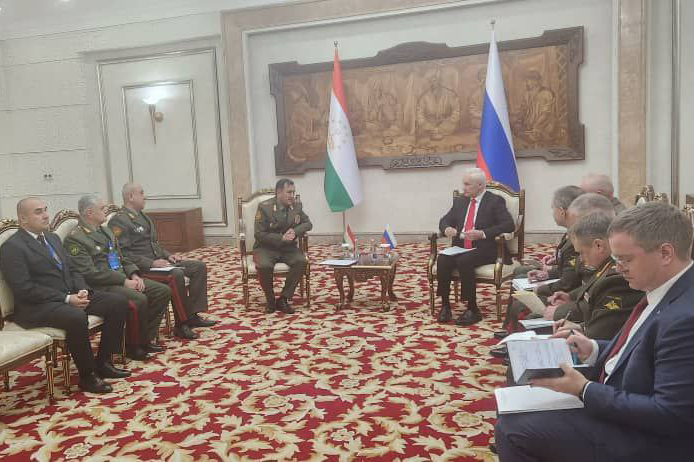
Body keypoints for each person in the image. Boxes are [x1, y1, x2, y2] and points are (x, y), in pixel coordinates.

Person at [495, 202, 694, 461]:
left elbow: (670, 415)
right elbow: (640, 348)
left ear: (665, 253)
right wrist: (594, 348)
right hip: (620, 399)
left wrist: (584, 390)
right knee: (513, 407)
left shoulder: (685, 318)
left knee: (513, 430)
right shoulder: (664, 289)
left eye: (626, 259)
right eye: (616, 259)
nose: (618, 268)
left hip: (647, 438)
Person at [0, 197, 130, 393]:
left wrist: (81, 289)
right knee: (76, 316)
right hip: (37, 306)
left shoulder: (51, 238)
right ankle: (88, 376)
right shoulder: (12, 248)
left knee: (118, 302)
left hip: (69, 295)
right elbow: (24, 289)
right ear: (23, 219)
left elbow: (72, 269)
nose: (45, 215)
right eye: (38, 212)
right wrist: (67, 299)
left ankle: (103, 362)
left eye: (45, 209)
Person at [64, 195, 170, 361]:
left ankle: (145, 338)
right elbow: (90, 273)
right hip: (102, 285)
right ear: (89, 213)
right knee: (139, 298)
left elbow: (121, 257)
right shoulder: (75, 238)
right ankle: (132, 346)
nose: (106, 211)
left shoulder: (105, 230)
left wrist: (134, 274)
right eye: (102, 208)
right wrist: (123, 281)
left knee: (161, 291)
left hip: (122, 277)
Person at [109, 183, 214, 340]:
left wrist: (167, 255)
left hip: (159, 263)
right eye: (141, 193)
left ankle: (192, 315)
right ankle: (182, 324)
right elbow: (123, 253)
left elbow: (154, 244)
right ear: (130, 197)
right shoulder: (119, 221)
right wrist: (151, 263)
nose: (145, 196)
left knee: (198, 267)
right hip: (143, 268)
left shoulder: (143, 216)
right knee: (176, 275)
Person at [500, 186, 584, 334]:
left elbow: (568, 282)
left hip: (568, 293)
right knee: (520, 274)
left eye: (553, 209)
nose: (552, 213)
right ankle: (508, 330)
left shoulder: (577, 237)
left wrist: (541, 288)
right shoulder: (570, 233)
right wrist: (547, 274)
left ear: (562, 211)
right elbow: (567, 268)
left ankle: (512, 334)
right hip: (568, 288)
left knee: (520, 302)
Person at [436, 167, 514, 325]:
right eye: (463, 183)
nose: (463, 188)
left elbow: (508, 225)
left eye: (467, 184)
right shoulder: (460, 201)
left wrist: (483, 233)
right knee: (442, 259)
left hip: (487, 248)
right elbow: (444, 220)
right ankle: (445, 305)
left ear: (480, 185)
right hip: (461, 247)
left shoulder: (495, 201)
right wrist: (447, 228)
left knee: (465, 260)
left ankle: (472, 309)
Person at [546, 212, 643, 340]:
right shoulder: (605, 267)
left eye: (582, 253)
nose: (580, 259)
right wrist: (580, 326)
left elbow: (602, 332)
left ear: (598, 245)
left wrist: (579, 328)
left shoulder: (615, 278)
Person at [254, 179, 312, 314]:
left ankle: (283, 299)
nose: (292, 195)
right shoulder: (265, 207)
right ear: (279, 192)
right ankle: (270, 300)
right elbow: (259, 234)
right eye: (289, 192)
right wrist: (281, 238)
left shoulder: (296, 206)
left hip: (287, 248)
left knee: (301, 261)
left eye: (293, 192)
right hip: (266, 247)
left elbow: (308, 224)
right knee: (264, 266)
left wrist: (295, 231)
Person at [415, 68, 461, 140]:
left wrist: (444, 126)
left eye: (436, 80)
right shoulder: (424, 97)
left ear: (440, 81)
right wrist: (429, 126)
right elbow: (419, 115)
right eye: (431, 81)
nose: (434, 83)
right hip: (428, 127)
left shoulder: (451, 94)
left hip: (447, 126)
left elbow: (456, 112)